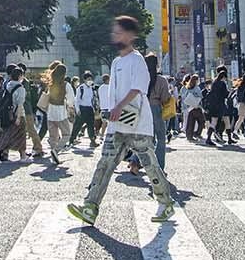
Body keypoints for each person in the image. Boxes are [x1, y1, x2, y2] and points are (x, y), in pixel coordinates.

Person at [68, 16, 177, 227]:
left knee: (149, 164)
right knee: (105, 163)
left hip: (137, 122)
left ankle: (166, 202)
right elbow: (114, 92)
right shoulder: (117, 62)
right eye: (114, 32)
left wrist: (118, 107)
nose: (115, 36)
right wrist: (110, 111)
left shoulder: (137, 60)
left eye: (119, 32)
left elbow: (139, 88)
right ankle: (90, 206)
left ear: (130, 35)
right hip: (117, 124)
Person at [43, 61, 72, 163]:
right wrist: (70, 107)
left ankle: (54, 155)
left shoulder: (50, 83)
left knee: (52, 136)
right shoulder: (66, 84)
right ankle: (56, 151)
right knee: (67, 134)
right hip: (60, 112)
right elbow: (71, 100)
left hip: (50, 111)